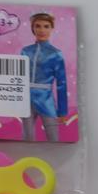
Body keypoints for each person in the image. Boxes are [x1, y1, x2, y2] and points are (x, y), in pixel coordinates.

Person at [20, 13, 68, 141]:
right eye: (38, 26)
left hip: (46, 100)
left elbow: (61, 83)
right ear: (33, 28)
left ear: (52, 28)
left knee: (53, 137)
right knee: (27, 137)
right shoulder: (25, 51)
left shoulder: (56, 54)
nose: (42, 30)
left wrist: (62, 111)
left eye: (46, 26)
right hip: (26, 100)